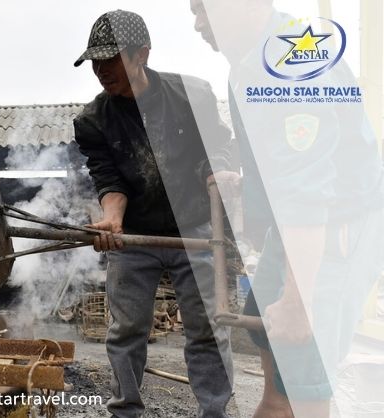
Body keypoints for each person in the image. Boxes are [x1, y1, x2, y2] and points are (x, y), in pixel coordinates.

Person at [189, 1, 384, 417]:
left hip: (334, 225)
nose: (197, 23)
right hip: (296, 224)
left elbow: (308, 187)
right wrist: (251, 182)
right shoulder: (247, 63)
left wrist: (301, 299)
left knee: (303, 391)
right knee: (275, 372)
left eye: (205, 8)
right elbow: (287, 154)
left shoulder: (289, 61)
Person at [72, 9, 237, 418]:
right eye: (95, 60)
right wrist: (112, 219)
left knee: (206, 329)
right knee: (126, 330)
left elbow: (215, 149)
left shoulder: (192, 95)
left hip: (197, 227)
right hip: (135, 236)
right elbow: (109, 180)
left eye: (111, 58)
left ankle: (215, 411)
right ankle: (126, 409)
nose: (100, 69)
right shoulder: (92, 120)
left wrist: (218, 174)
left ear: (141, 53)